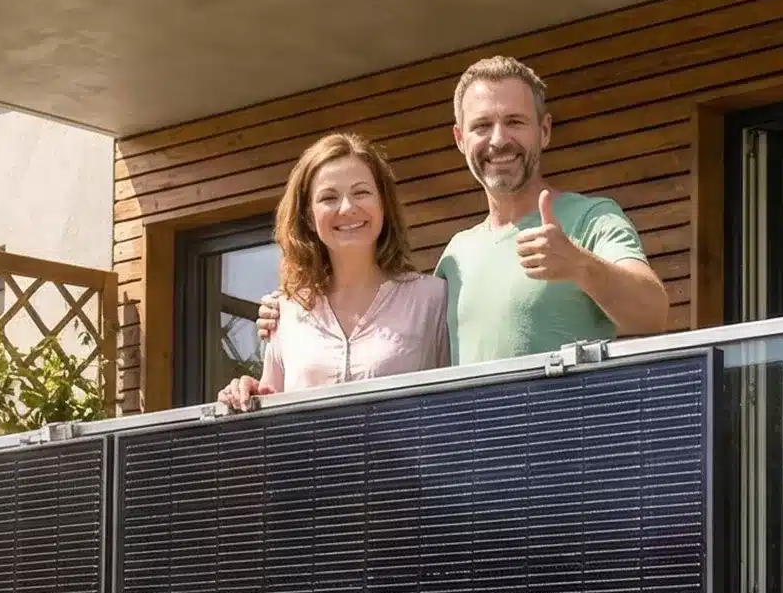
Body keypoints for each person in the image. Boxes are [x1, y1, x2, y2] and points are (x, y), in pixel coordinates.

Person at [257, 56, 668, 364]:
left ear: (544, 130)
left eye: (515, 122)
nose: (498, 140)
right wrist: (292, 311)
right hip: (475, 457)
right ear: (459, 138)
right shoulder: (456, 256)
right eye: (481, 126)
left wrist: (580, 266)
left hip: (567, 453)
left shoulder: (592, 219)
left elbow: (653, 315)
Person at [217, 133, 447, 410]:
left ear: (383, 204)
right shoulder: (284, 314)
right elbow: (269, 407)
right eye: (328, 197)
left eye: (361, 193)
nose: (347, 208)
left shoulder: (432, 299)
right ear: (308, 217)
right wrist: (245, 393)